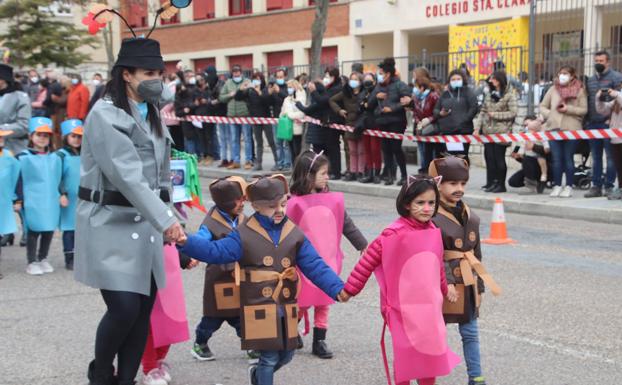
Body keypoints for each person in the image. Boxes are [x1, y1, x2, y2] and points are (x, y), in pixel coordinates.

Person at [74, 36, 185, 385]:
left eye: (160, 72)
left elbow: (160, 175)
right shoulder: (106, 115)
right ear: (126, 74)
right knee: (123, 309)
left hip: (147, 223)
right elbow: (128, 176)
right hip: (111, 221)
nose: (157, 79)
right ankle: (102, 373)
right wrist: (166, 220)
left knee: (141, 313)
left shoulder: (150, 109)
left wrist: (173, 216)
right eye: (149, 72)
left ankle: (127, 378)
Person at [177, 174, 349, 385]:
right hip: (257, 303)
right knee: (267, 357)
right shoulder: (243, 234)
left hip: (285, 304)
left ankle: (257, 376)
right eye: (272, 206)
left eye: (283, 205)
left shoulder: (293, 232)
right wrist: (186, 241)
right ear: (257, 207)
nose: (279, 211)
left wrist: (337, 287)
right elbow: (216, 251)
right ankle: (262, 376)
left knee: (287, 354)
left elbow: (314, 264)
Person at [342, 174, 460, 385]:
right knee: (406, 351)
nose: (426, 208)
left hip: (428, 306)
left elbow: (436, 264)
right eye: (420, 203)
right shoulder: (392, 234)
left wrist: (445, 288)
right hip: (400, 307)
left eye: (431, 203)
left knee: (430, 349)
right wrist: (350, 289)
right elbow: (367, 261)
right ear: (407, 204)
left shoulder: (433, 230)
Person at [429, 156, 502, 385]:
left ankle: (476, 378)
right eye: (452, 183)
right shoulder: (430, 216)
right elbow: (430, 257)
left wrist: (479, 286)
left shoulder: (470, 215)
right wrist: (446, 281)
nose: (459, 188)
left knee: (470, 332)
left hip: (467, 280)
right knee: (433, 333)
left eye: (462, 183)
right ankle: (427, 375)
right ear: (437, 183)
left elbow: (476, 255)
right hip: (439, 284)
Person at [287, 151, 367, 358]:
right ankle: (291, 330)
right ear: (308, 175)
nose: (327, 177)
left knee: (324, 299)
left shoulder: (331, 199)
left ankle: (319, 340)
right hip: (302, 261)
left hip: (326, 258)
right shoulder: (292, 202)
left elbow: (345, 223)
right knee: (301, 300)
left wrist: (362, 245)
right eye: (323, 173)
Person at [191, 177, 249, 361]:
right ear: (225, 203)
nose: (242, 203)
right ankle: (200, 343)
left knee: (241, 315)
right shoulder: (210, 224)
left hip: (239, 278)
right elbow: (199, 241)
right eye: (238, 200)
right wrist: (192, 253)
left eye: (242, 198)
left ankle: (251, 345)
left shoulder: (242, 219)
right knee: (212, 318)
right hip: (219, 279)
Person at [141, 243, 198, 385]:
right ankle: (150, 368)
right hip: (141, 265)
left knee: (170, 318)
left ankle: (158, 360)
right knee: (147, 324)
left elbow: (168, 233)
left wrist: (183, 257)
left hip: (166, 262)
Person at [16, 117, 61, 276]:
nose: (42, 138)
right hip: (31, 200)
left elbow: (60, 178)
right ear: (31, 136)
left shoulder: (55, 158)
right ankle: (31, 261)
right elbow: (18, 180)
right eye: (39, 134)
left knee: (48, 229)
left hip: (50, 200)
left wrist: (62, 194)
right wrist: (18, 199)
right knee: (33, 231)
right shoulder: (22, 157)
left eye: (46, 135)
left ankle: (43, 258)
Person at [539, 66, 587, 198]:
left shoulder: (580, 90)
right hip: (554, 128)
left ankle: (569, 186)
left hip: (571, 128)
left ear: (572, 76)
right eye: (560, 73)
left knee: (568, 158)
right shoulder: (553, 89)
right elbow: (542, 106)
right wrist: (551, 114)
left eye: (565, 74)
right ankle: (557, 185)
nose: (562, 76)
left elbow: (583, 110)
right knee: (556, 159)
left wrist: (568, 109)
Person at [584, 51, 622, 198]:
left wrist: (610, 118)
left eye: (601, 60)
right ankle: (596, 186)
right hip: (593, 123)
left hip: (609, 125)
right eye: (596, 61)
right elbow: (589, 99)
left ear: (608, 62)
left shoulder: (617, 77)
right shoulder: (591, 80)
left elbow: (617, 100)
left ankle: (609, 185)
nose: (598, 63)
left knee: (611, 157)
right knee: (596, 156)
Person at [368, 57, 412, 186]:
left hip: (396, 122)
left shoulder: (399, 85)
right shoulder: (378, 87)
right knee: (385, 149)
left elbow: (406, 101)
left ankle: (404, 176)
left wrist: (391, 109)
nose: (379, 76)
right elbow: (369, 105)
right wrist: (376, 97)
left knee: (396, 148)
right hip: (382, 122)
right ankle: (389, 176)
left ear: (388, 74)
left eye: (381, 73)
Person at [476, 71, 518, 193]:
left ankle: (501, 184)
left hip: (501, 132)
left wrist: (495, 115)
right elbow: (483, 111)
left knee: (499, 159)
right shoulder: (489, 95)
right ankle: (491, 182)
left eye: (493, 79)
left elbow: (513, 112)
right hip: (488, 131)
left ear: (499, 80)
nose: (491, 81)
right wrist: (477, 128)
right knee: (489, 158)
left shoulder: (509, 95)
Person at [235, 71, 277, 171]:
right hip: (255, 119)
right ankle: (259, 164)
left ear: (262, 80)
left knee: (271, 141)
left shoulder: (266, 89)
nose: (256, 81)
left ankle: (277, 161)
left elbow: (268, 102)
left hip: (266, 119)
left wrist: (260, 92)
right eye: (255, 79)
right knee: (259, 143)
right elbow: (238, 98)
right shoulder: (250, 90)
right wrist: (240, 89)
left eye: (258, 79)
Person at [434, 69, 479, 163]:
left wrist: (464, 120)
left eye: (458, 78)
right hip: (448, 132)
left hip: (463, 131)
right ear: (449, 81)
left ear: (463, 79)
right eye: (453, 79)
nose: (455, 81)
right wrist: (440, 114)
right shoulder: (445, 94)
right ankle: (452, 176)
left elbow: (474, 107)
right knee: (450, 156)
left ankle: (462, 176)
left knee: (462, 156)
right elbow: (436, 109)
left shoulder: (468, 92)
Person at [330, 72, 366, 181]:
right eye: (352, 79)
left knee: (361, 150)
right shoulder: (345, 92)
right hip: (349, 124)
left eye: (356, 79)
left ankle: (361, 172)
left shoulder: (365, 93)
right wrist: (339, 110)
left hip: (362, 123)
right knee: (352, 151)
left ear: (360, 81)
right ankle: (352, 171)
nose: (353, 81)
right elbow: (332, 100)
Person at [57, 119, 83, 270]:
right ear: (66, 137)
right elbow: (57, 176)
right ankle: (69, 257)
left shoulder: (86, 153)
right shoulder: (60, 155)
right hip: (69, 197)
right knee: (69, 228)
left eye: (79, 136)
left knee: (82, 228)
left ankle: (81, 256)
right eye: (73, 136)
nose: (77, 139)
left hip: (83, 196)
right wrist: (62, 193)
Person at [219, 64, 253, 170]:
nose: (236, 73)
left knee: (247, 138)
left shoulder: (246, 81)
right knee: (234, 139)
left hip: (244, 114)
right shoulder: (228, 83)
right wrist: (230, 95)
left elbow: (250, 94)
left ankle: (248, 160)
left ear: (241, 72)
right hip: (232, 115)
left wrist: (240, 91)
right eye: (234, 72)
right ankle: (236, 161)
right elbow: (221, 97)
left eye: (238, 72)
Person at [508, 117, 551, 194]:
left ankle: (533, 184)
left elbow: (548, 152)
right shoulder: (525, 135)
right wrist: (517, 156)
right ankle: (533, 183)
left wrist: (533, 147)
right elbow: (519, 145)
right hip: (529, 163)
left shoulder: (542, 134)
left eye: (527, 124)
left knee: (528, 159)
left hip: (544, 165)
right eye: (524, 125)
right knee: (512, 181)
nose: (526, 127)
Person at [411, 67, 441, 174]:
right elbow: (415, 111)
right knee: (422, 150)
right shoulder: (416, 96)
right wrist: (418, 121)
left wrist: (428, 120)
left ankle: (430, 171)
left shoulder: (433, 95)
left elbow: (437, 112)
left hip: (431, 128)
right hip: (420, 127)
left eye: (414, 77)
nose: (413, 79)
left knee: (429, 151)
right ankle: (423, 169)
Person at [0, 128, 20, 278]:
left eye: (2, 137)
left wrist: (14, 197)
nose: (2, 140)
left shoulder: (8, 155)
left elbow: (15, 176)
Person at [596, 88, 622, 200]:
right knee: (619, 166)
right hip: (616, 137)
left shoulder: (618, 96)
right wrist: (599, 99)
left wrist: (617, 94)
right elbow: (603, 110)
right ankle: (621, 188)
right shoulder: (617, 98)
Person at [0, 63, 31, 155]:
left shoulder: (20, 97)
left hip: (13, 147)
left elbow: (24, 125)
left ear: (4, 79)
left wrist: (1, 129)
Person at [357, 73, 382, 184]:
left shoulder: (377, 91)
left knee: (375, 149)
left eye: (369, 80)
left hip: (375, 124)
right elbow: (360, 106)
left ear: (374, 81)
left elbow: (371, 105)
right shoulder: (363, 92)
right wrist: (364, 104)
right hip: (365, 125)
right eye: (365, 80)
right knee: (367, 149)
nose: (367, 82)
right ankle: (369, 173)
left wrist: (365, 104)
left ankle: (377, 174)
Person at [279, 79, 307, 161]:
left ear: (295, 86)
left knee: (297, 150)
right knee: (291, 151)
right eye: (288, 87)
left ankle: (297, 169)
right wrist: (283, 115)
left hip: (297, 128)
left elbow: (301, 113)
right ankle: (293, 168)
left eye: (290, 87)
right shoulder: (287, 99)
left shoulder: (301, 97)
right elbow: (282, 112)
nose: (289, 89)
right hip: (288, 128)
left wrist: (289, 115)